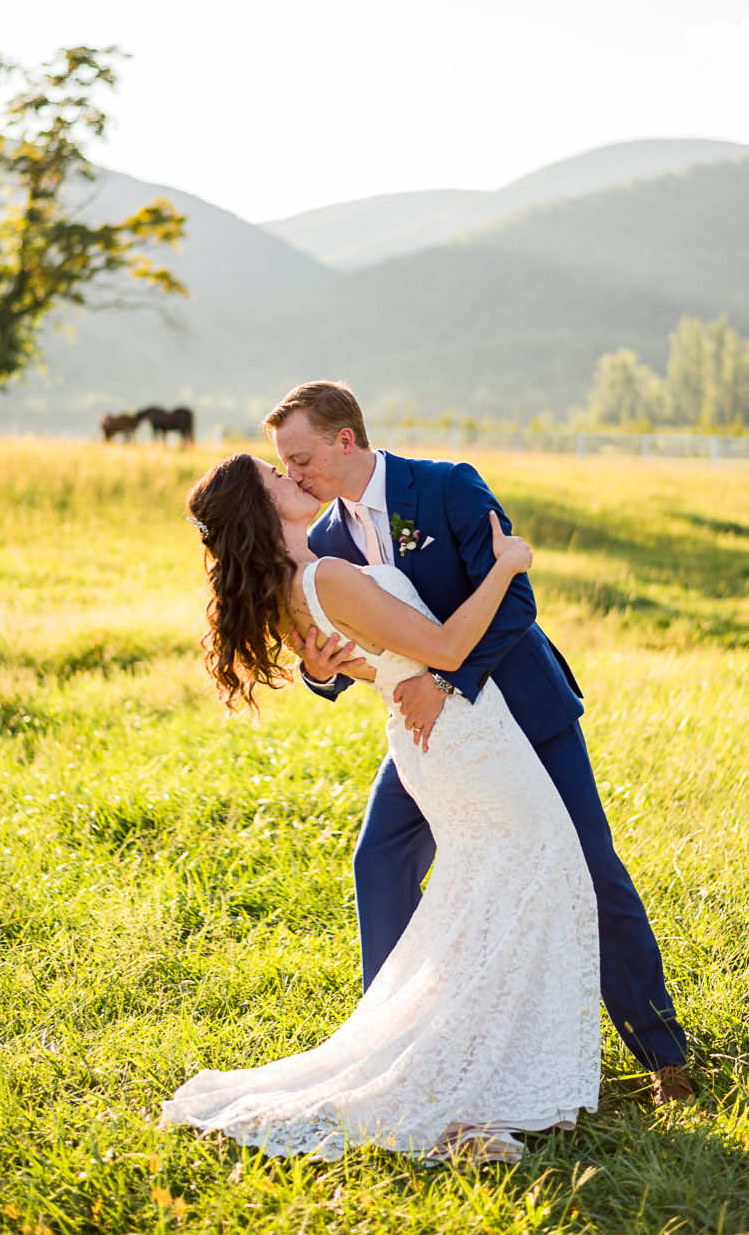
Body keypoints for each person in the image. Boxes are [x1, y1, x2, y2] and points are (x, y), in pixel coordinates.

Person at [160, 450, 600, 1164]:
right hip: (465, 743)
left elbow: (383, 661)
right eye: (276, 478)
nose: (291, 478)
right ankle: (456, 1087)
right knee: (532, 882)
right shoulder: (325, 575)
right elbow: (448, 644)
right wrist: (509, 564)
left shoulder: (297, 584)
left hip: (438, 738)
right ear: (260, 509)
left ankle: (466, 1071)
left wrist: (370, 668)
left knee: (489, 901)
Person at [264, 380, 692, 1106]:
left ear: (344, 440)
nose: (294, 474)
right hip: (434, 738)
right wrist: (318, 674)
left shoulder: (446, 486)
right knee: (381, 857)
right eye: (284, 464)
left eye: (300, 457)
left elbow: (517, 602)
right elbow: (349, 656)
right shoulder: (327, 541)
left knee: (591, 866)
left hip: (519, 707)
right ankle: (399, 1046)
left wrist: (443, 678)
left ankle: (664, 1056)